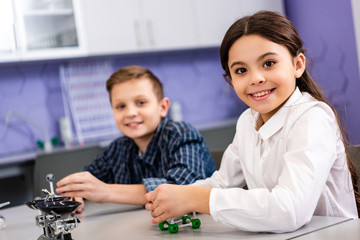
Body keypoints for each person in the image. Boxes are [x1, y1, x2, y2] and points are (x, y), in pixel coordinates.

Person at [144, 11, 360, 233]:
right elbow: (222, 183)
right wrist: (179, 196)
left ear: (297, 65)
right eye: (241, 70)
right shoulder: (248, 121)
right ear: (231, 79)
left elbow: (290, 210)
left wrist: (198, 199)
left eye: (268, 63)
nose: (256, 78)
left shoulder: (313, 118)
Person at [56, 65, 216, 212]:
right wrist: (77, 192)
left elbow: (185, 190)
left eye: (141, 103)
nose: (130, 113)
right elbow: (90, 178)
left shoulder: (181, 134)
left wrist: (106, 191)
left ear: (163, 107)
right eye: (120, 106)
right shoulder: (119, 148)